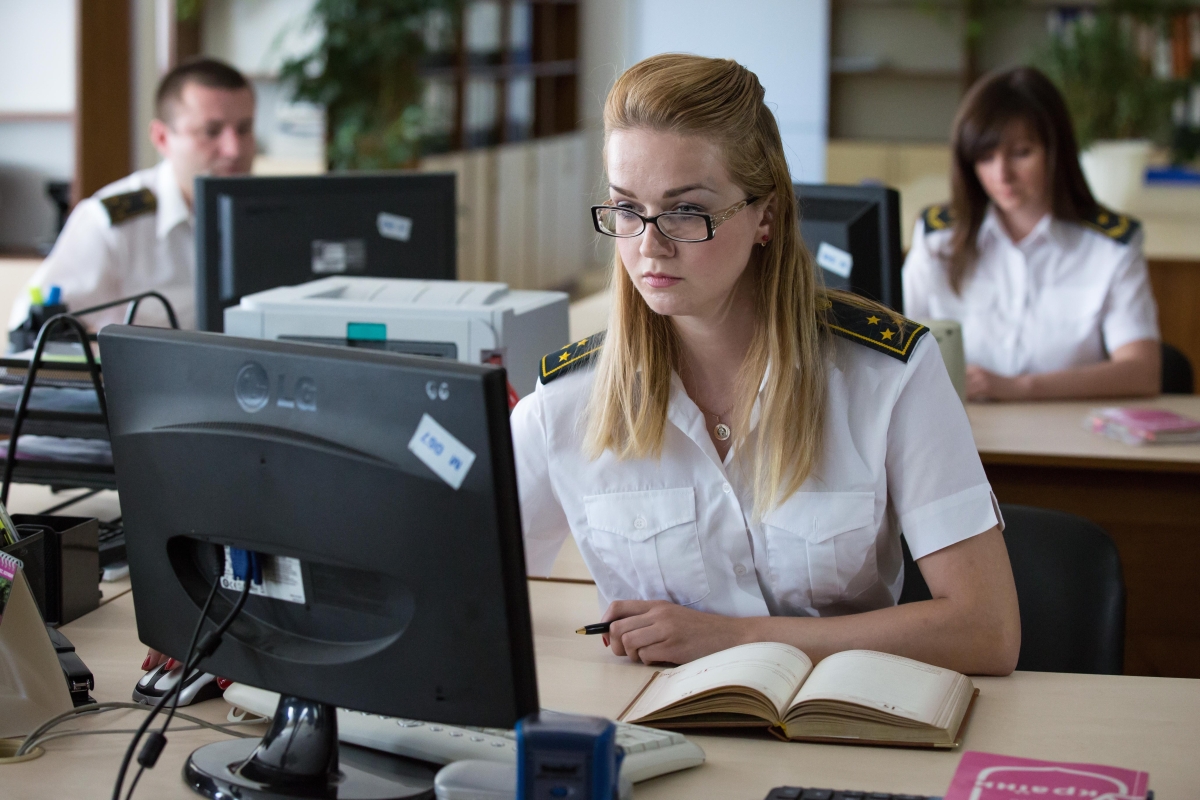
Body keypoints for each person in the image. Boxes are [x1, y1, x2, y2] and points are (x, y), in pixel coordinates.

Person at [512, 54, 1020, 675]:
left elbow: (987, 629)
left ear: (765, 216)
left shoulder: (889, 375)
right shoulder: (565, 402)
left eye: (684, 211)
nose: (649, 245)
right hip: (653, 735)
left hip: (844, 726)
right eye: (626, 209)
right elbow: (466, 592)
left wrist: (738, 637)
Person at [903, 67, 1161, 401]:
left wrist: (1020, 387)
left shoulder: (1111, 247)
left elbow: (1142, 371)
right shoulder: (938, 236)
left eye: (1022, 153)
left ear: (1057, 152)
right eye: (985, 157)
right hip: (956, 433)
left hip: (1064, 437)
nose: (1002, 175)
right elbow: (892, 344)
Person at [9, 57, 255, 334]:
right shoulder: (113, 220)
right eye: (211, 132)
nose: (234, 149)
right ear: (162, 138)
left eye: (244, 129)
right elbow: (33, 330)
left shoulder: (270, 212)